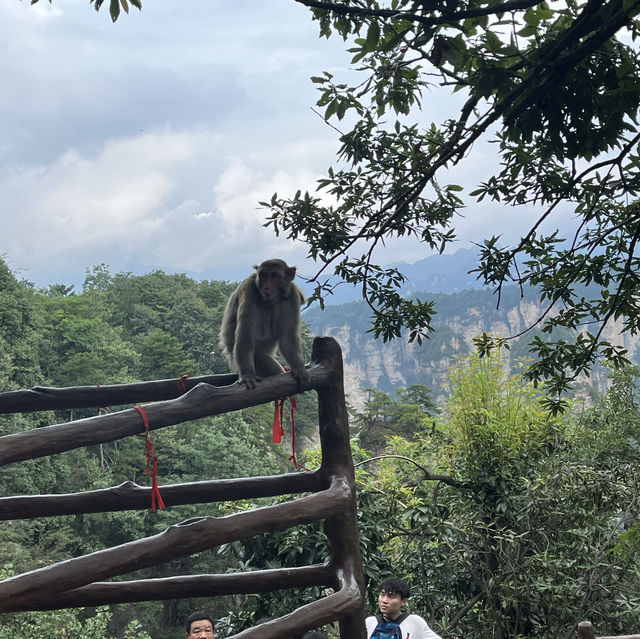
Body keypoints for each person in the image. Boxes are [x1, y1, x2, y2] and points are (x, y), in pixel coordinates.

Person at [365, 576, 442, 639]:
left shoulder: (414, 622)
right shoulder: (370, 622)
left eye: (391, 597)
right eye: (382, 595)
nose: (384, 600)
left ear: (403, 601)